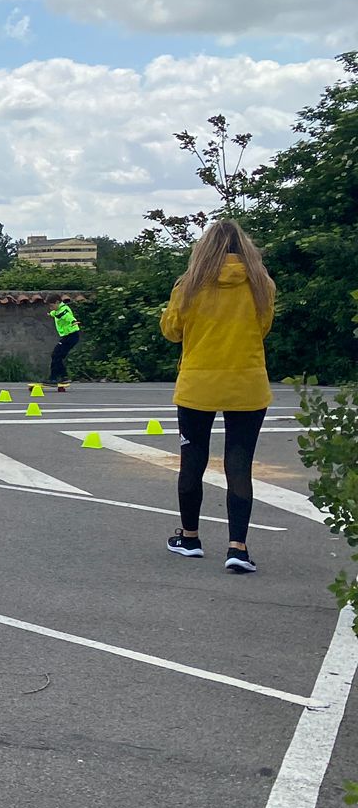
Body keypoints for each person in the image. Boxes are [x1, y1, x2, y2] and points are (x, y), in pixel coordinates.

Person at [161, 219, 276, 574]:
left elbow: (172, 331)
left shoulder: (190, 286)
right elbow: (263, 329)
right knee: (239, 465)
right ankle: (237, 547)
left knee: (192, 460)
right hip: (248, 384)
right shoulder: (261, 285)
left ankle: (190, 538)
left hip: (198, 386)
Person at [48, 298, 81, 389]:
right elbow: (55, 314)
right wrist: (50, 314)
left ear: (58, 302)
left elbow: (68, 317)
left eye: (52, 305)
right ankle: (64, 377)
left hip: (71, 336)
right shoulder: (57, 310)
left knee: (56, 354)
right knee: (57, 356)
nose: (51, 308)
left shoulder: (64, 310)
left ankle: (53, 378)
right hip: (68, 336)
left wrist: (73, 321)